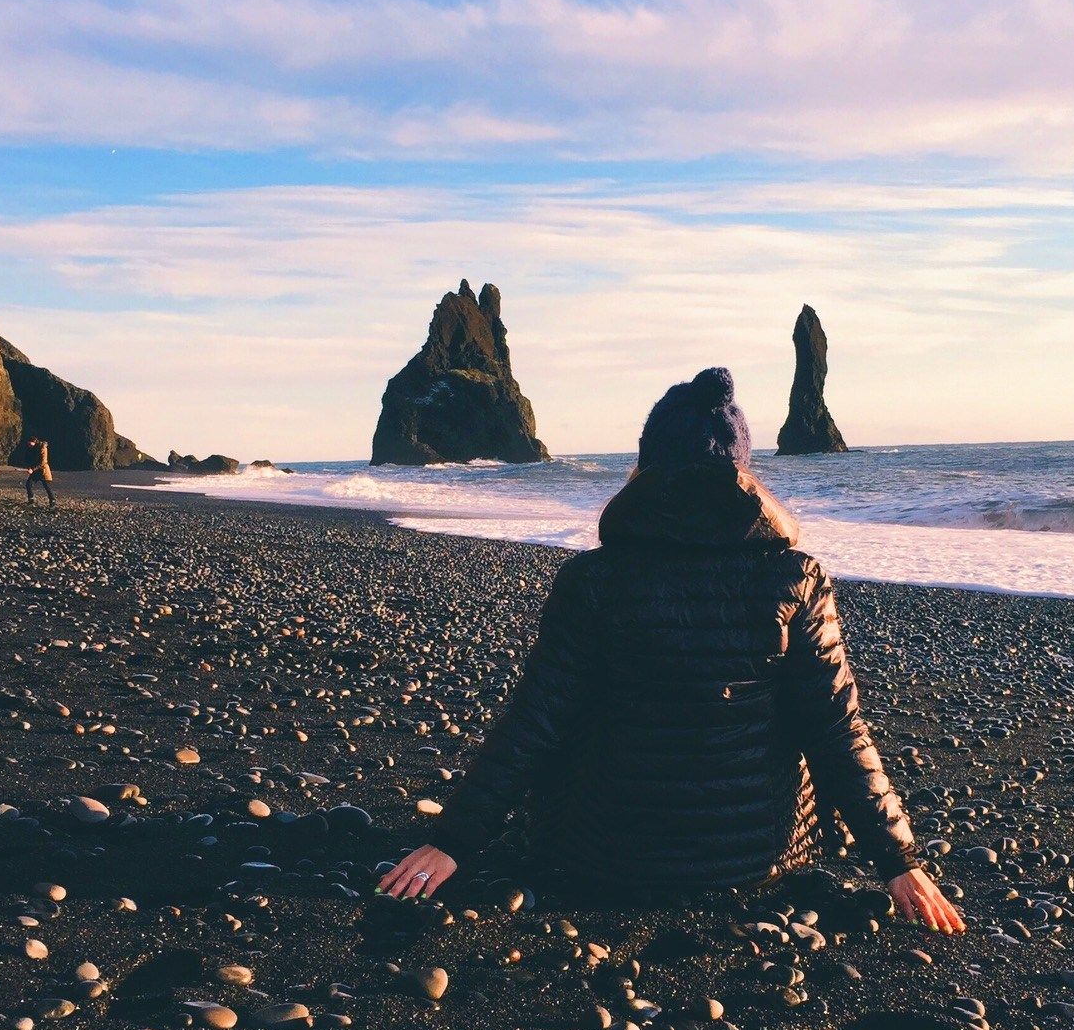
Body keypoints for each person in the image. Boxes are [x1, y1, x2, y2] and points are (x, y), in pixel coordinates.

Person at [379, 368, 964, 934]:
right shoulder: (793, 576)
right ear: (743, 472)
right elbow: (837, 727)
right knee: (799, 707)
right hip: (758, 858)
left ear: (645, 464)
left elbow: (536, 717)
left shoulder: (594, 578)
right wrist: (899, 864)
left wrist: (452, 842)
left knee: (574, 702)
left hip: (603, 854)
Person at [23, 435, 56, 510]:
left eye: (30, 444)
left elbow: (43, 462)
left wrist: (32, 469)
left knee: (47, 486)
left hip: (43, 470)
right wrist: (28, 467)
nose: (29, 446)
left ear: (34, 442)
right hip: (35, 470)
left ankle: (52, 501)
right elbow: (28, 458)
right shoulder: (30, 448)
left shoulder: (42, 448)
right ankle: (31, 500)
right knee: (28, 484)